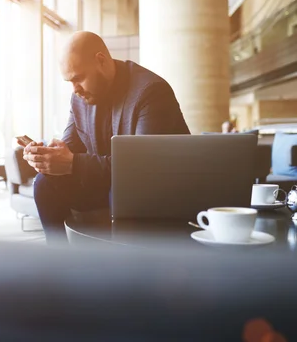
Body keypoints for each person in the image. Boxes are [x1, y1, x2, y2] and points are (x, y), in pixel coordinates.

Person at [21, 31, 190, 245]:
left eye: (78, 78)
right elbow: (69, 148)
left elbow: (142, 170)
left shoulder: (151, 92)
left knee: (120, 193)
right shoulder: (79, 98)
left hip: (155, 190)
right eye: (69, 81)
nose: (74, 89)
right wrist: (47, 157)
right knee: (45, 183)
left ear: (101, 60)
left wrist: (72, 163)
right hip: (109, 183)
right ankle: (59, 263)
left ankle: (119, 269)